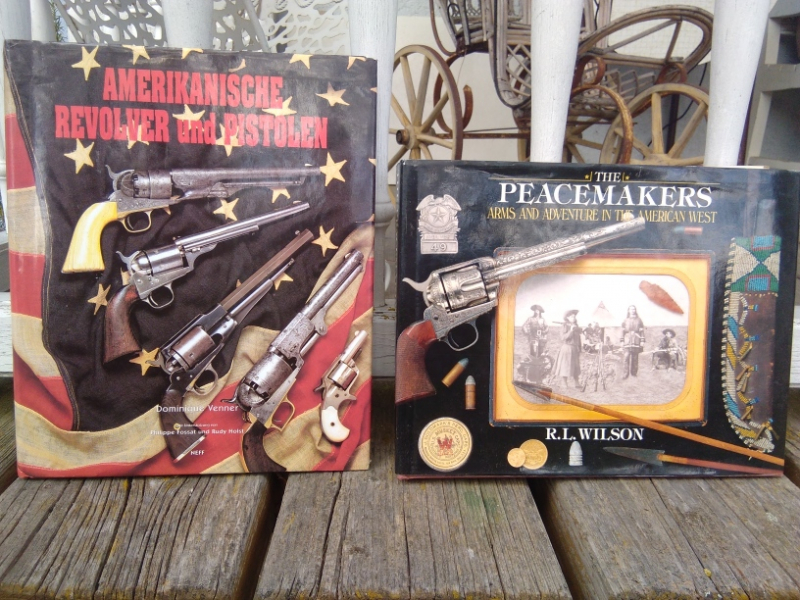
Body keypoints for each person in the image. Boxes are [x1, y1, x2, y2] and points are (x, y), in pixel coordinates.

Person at [552, 309, 581, 388]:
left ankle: (576, 383)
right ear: (567, 317)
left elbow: (578, 339)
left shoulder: (576, 326)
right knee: (565, 365)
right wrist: (571, 330)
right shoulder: (564, 326)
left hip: (575, 348)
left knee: (576, 366)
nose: (573, 318)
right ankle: (564, 383)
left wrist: (579, 348)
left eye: (574, 316)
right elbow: (563, 338)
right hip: (567, 348)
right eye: (571, 316)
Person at [620, 305, 645, 378]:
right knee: (626, 357)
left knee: (635, 357)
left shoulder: (639, 320)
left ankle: (634, 373)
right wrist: (622, 341)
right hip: (627, 340)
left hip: (636, 339)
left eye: (634, 309)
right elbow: (622, 331)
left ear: (635, 310)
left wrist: (642, 340)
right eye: (631, 309)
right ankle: (625, 374)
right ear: (628, 311)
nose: (632, 310)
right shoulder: (625, 320)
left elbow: (642, 331)